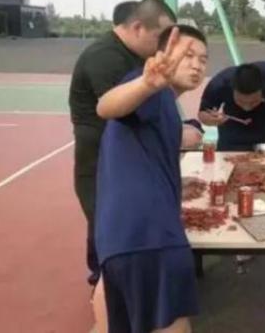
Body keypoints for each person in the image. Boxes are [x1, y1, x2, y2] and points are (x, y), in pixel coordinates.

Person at [95, 24, 208, 333]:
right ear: (161, 55)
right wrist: (146, 84)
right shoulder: (153, 91)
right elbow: (106, 106)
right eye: (187, 55)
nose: (197, 65)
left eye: (203, 59)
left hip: (119, 238)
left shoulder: (166, 104)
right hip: (152, 238)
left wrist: (175, 184)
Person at [69, 0, 176, 286]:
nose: (162, 47)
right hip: (99, 161)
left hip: (125, 158)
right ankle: (104, 286)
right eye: (159, 37)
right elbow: (123, 109)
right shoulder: (106, 57)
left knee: (121, 226)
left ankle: (117, 284)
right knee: (109, 229)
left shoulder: (135, 55)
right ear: (138, 27)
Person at [198, 62, 265, 150]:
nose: (247, 108)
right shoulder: (220, 83)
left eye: (253, 102)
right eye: (241, 101)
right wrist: (211, 120)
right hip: (231, 142)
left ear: (262, 90)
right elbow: (202, 113)